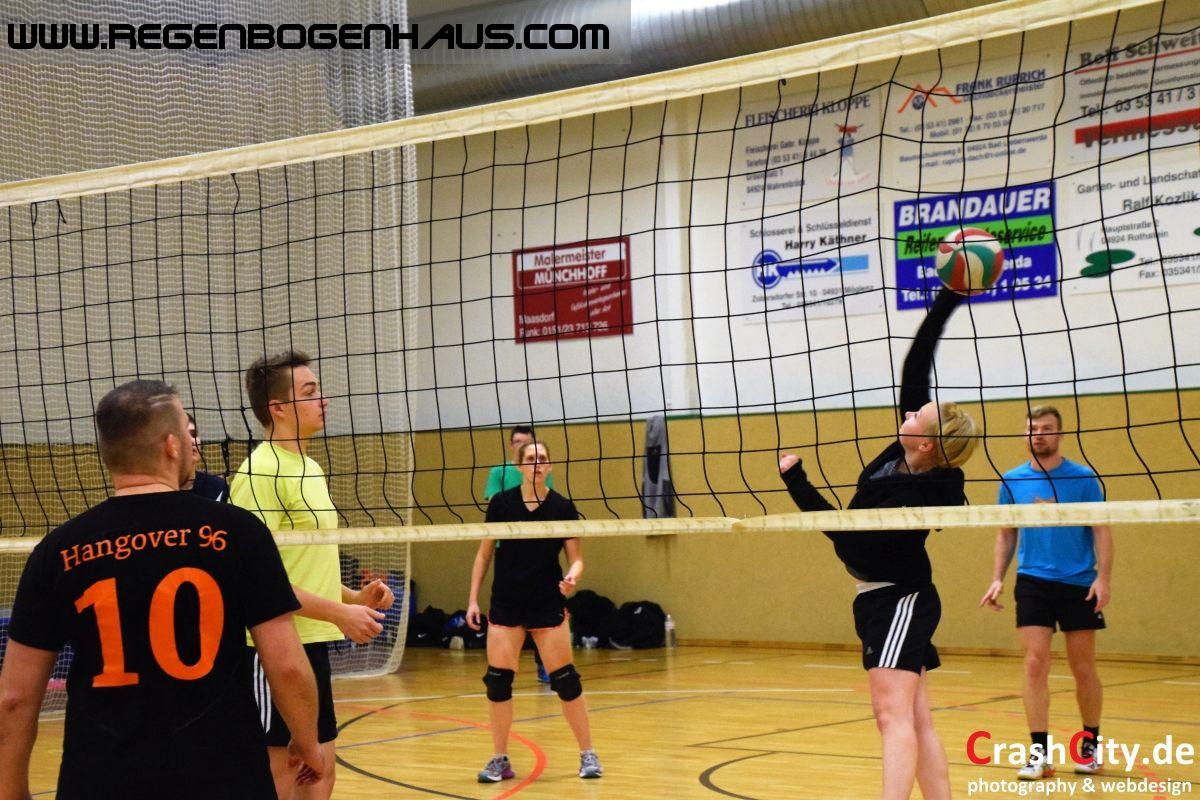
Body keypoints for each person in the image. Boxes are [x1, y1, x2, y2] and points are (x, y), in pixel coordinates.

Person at [0, 380, 324, 800]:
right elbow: (288, 667)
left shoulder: (57, 551)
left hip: (100, 779)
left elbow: (14, 698)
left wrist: (11, 792)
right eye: (187, 433)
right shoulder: (239, 533)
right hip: (223, 776)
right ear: (172, 446)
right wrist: (307, 740)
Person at [778, 287, 979, 800]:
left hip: (899, 599)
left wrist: (797, 483)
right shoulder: (903, 455)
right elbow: (916, 367)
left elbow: (844, 533)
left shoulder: (920, 490)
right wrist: (949, 297)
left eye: (915, 417)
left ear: (927, 441)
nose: (906, 415)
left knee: (891, 716)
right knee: (914, 716)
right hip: (882, 598)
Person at [230, 350, 394, 800]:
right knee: (282, 778)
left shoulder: (311, 468)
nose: (323, 400)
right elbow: (255, 581)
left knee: (320, 777)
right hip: (274, 649)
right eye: (309, 392)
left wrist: (353, 598)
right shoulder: (259, 473)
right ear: (278, 408)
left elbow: (297, 565)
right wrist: (339, 613)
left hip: (313, 643)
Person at [980, 405, 1112, 779]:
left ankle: (1090, 745)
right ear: (1025, 435)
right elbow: (1006, 532)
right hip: (1033, 581)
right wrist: (997, 577)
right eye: (1033, 429)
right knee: (1035, 663)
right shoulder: (1011, 480)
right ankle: (1039, 753)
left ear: (1060, 434)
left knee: (1082, 666)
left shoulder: (1084, 479)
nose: (1039, 434)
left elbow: (1101, 529)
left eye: (1046, 428)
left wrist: (1103, 579)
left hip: (1078, 582)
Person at [467, 440, 601, 782]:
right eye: (531, 459)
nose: (537, 463)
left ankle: (588, 754)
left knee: (566, 681)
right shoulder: (501, 504)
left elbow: (576, 559)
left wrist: (573, 577)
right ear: (519, 466)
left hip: (546, 601)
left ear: (550, 466)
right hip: (506, 601)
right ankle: (500, 759)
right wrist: (472, 600)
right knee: (498, 683)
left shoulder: (562, 507)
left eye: (542, 458)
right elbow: (484, 554)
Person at [484, 424, 556, 684]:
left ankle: (545, 665)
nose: (521, 446)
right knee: (509, 615)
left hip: (538, 551)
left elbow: (547, 502)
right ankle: (502, 670)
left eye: (526, 442)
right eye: (517, 442)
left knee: (543, 612)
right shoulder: (499, 472)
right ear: (511, 446)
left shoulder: (540, 470)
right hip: (508, 552)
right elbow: (495, 505)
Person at [183, 412, 230, 501]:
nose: (192, 440)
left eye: (194, 434)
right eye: (184, 435)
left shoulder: (218, 487)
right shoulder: (161, 489)